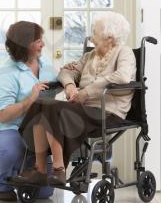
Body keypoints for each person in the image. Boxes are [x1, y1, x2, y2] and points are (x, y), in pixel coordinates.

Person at [14, 11, 137, 186]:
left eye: (95, 32)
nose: (91, 37)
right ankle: (40, 169)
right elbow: (66, 71)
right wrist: (70, 86)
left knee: (51, 107)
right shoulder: (90, 56)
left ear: (110, 37)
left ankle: (58, 169)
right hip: (84, 109)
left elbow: (123, 77)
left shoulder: (124, 53)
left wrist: (86, 92)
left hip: (108, 112)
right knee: (41, 103)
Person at [0, 21, 57, 201]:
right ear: (24, 45)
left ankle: (26, 172)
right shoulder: (6, 73)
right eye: (37, 40)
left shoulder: (45, 62)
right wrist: (30, 99)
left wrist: (69, 81)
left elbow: (54, 87)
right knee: (13, 149)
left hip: (38, 127)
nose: (43, 43)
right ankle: (4, 183)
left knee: (45, 193)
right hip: (10, 128)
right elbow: (2, 116)